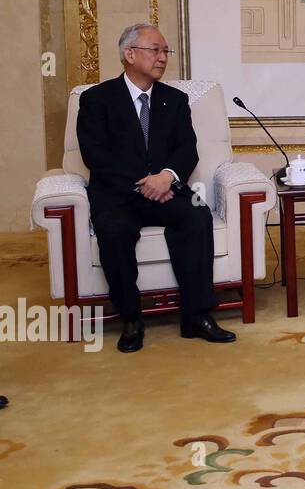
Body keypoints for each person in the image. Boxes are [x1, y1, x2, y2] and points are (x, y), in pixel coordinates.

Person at [76, 23, 237, 352]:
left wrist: (166, 176)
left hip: (167, 189)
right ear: (129, 54)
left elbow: (186, 149)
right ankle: (131, 318)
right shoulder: (96, 99)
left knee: (197, 216)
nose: (163, 57)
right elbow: (96, 155)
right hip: (117, 194)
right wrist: (143, 183)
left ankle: (197, 315)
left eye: (166, 51)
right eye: (156, 50)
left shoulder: (175, 100)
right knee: (115, 231)